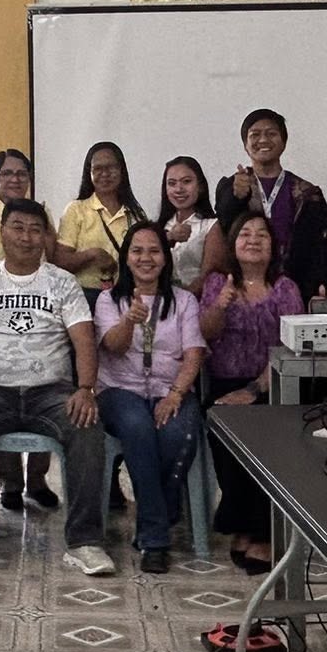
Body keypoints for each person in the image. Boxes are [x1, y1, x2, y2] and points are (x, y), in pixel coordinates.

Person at [0, 199, 115, 577]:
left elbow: (84, 340)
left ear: (46, 237)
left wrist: (86, 389)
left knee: (86, 426)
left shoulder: (62, 281)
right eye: (17, 227)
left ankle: (85, 542)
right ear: (1, 233)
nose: (26, 237)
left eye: (36, 229)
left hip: (51, 391)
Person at [93, 223, 207, 572]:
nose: (146, 258)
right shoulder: (109, 299)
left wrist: (175, 395)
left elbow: (194, 354)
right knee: (139, 426)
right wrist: (129, 321)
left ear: (165, 258)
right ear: (126, 258)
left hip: (170, 389)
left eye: (154, 251)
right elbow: (113, 346)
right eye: (137, 251)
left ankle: (157, 511)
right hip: (119, 391)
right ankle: (155, 537)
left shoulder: (184, 301)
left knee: (176, 433)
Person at [200, 210, 303, 573]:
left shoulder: (286, 289)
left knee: (267, 436)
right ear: (233, 244)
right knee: (222, 425)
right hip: (223, 383)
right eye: (245, 233)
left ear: (274, 245)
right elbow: (205, 334)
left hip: (273, 382)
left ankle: (263, 532)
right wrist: (221, 304)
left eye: (262, 234)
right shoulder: (217, 283)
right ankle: (242, 524)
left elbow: (291, 348)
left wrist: (255, 389)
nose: (254, 239)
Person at [0, 148, 59, 510]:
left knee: (47, 374)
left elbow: (51, 259)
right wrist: (16, 272)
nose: (15, 179)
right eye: (8, 173)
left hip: (41, 309)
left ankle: (37, 479)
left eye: (22, 173)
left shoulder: (41, 212)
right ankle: (10, 482)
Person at [211, 108, 327, 303]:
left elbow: (317, 246)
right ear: (245, 145)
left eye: (271, 134)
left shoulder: (308, 193)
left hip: (296, 287)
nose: (263, 140)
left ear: (283, 142)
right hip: (244, 290)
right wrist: (236, 198)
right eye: (255, 135)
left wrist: (321, 283)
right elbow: (223, 228)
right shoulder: (231, 186)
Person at [54, 142, 148, 295]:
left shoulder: (135, 214)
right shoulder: (76, 209)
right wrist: (92, 255)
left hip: (126, 297)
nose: (104, 174)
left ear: (122, 170)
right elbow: (59, 262)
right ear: (89, 172)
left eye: (111, 167)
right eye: (97, 168)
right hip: (84, 297)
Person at [158, 155, 218, 291]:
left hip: (197, 298)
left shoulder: (211, 225)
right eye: (172, 183)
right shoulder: (160, 227)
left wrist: (183, 300)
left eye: (186, 181)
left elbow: (207, 276)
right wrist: (168, 237)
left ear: (200, 186)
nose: (179, 189)